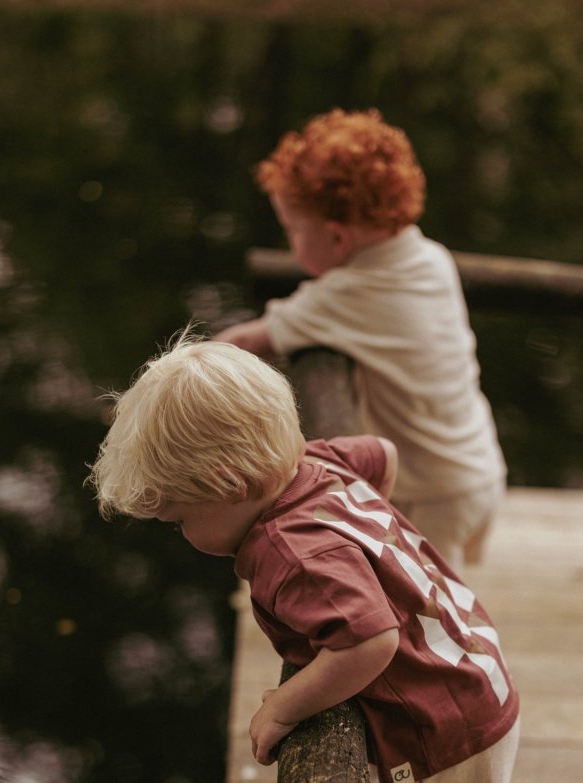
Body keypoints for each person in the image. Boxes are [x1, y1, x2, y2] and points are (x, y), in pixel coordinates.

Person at [88, 333, 520, 783]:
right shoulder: (313, 460)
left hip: (441, 720)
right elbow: (382, 453)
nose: (181, 533)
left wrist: (286, 704)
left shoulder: (293, 551)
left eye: (180, 519)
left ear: (232, 486)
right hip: (473, 662)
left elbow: (370, 641)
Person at [216, 107, 508, 572]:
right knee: (447, 599)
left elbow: (250, 341)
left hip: (428, 495)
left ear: (336, 237)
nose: (290, 242)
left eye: (292, 229)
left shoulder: (350, 294)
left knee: (428, 618)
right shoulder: (430, 259)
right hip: (477, 470)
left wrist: (179, 373)